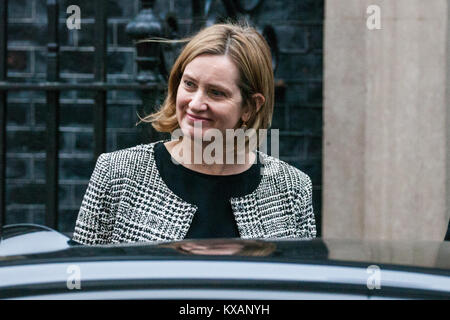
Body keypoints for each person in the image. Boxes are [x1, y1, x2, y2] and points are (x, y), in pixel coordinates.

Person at [72, 22, 316, 245]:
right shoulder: (117, 173)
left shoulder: (292, 189)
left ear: (250, 107)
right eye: (189, 84)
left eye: (216, 92)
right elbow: (81, 283)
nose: (196, 103)